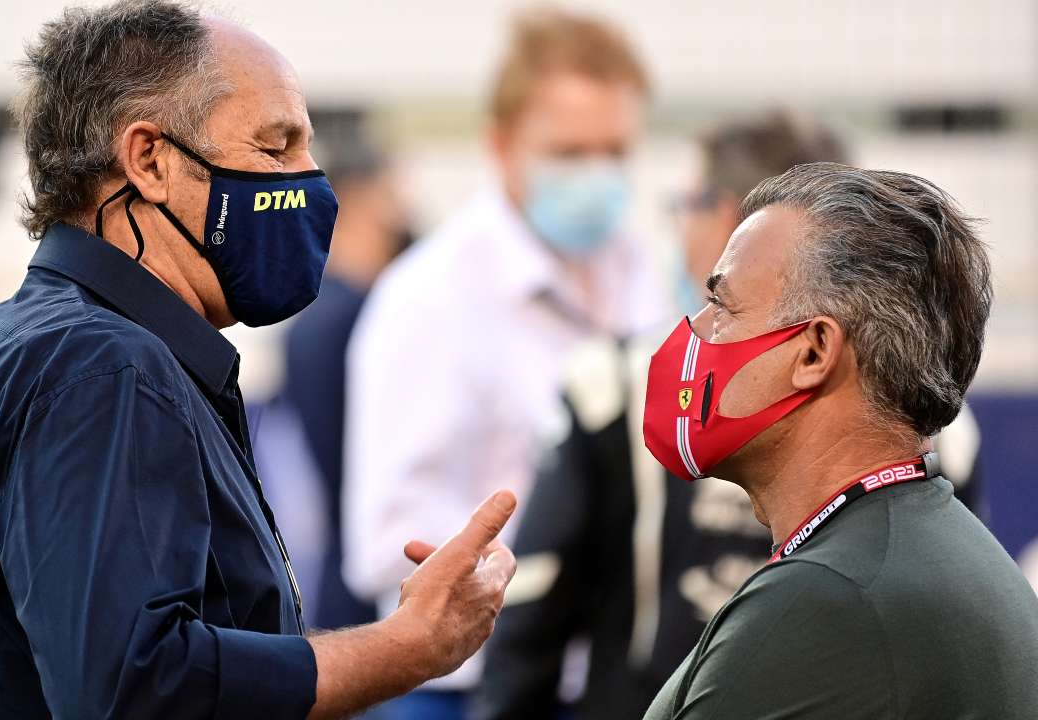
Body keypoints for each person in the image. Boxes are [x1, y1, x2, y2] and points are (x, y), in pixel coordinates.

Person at [0, 3, 518, 719]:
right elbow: (135, 687)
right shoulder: (100, 365)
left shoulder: (5, 341)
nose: (310, 180)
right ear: (149, 160)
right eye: (275, 147)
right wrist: (405, 647)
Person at [473, 113, 984, 719]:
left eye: (723, 305)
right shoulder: (940, 465)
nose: (697, 335)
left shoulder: (609, 388)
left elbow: (527, 642)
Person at [344, 11, 663, 717]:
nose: (598, 174)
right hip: (465, 688)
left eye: (615, 151)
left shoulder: (640, 275)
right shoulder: (430, 299)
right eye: (571, 152)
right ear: (501, 144)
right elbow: (385, 540)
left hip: (613, 678)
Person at [640, 163, 1038, 718]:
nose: (697, 332)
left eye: (724, 306)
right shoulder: (929, 554)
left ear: (813, 352)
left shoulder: (825, 601)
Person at [282, 131, 410, 631]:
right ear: (359, 199)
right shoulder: (358, 319)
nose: (404, 209)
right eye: (394, 194)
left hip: (340, 568)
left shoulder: (310, 314)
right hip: (373, 574)